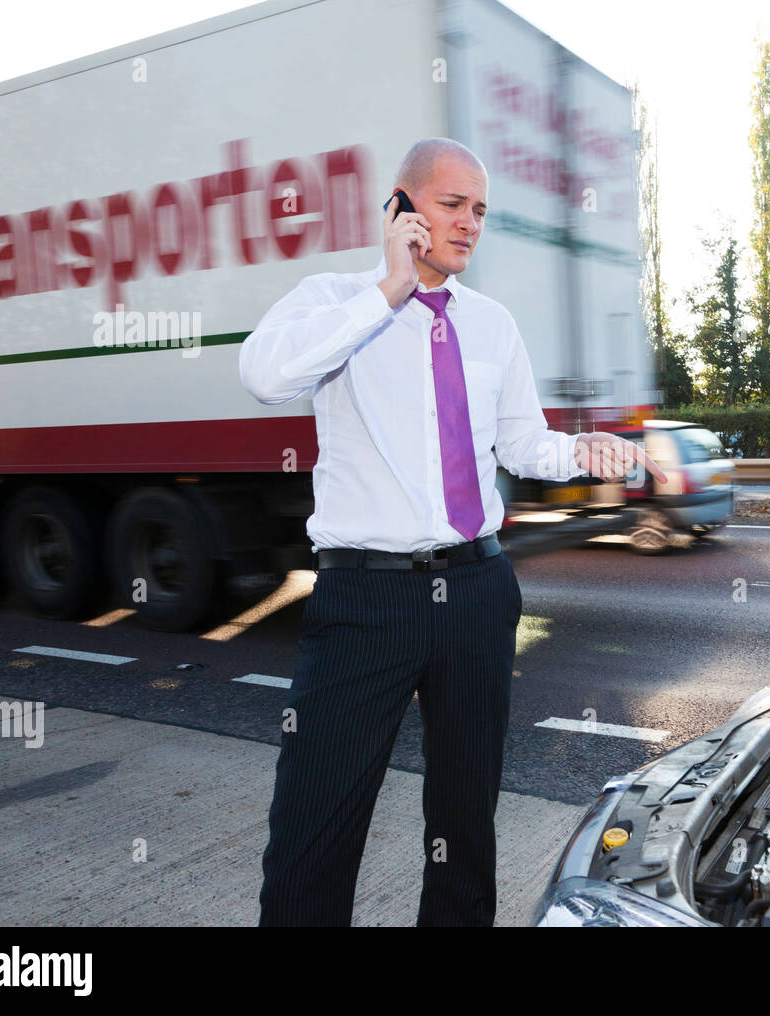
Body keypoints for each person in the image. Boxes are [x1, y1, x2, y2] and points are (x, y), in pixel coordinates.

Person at [239, 137, 667, 927]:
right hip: (364, 600)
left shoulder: (493, 324)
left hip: (476, 590)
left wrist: (584, 449)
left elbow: (520, 444)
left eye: (479, 210)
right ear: (399, 208)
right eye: (451, 204)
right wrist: (389, 292)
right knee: (314, 822)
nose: (469, 224)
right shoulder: (334, 300)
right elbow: (266, 376)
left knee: (465, 824)